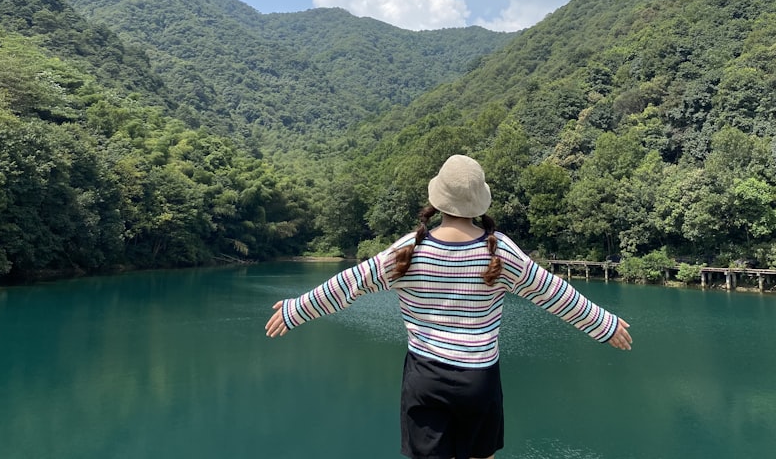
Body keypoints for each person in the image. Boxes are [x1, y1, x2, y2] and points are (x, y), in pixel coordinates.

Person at [266, 154, 632, 459]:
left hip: (425, 378)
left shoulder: (410, 249)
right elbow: (554, 293)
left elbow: (350, 284)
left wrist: (296, 310)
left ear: (437, 199)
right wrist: (604, 324)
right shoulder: (498, 250)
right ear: (478, 202)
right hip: (479, 380)